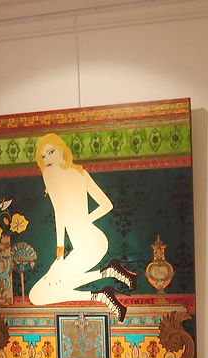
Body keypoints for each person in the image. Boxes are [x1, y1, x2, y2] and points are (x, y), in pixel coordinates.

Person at [27, 133, 135, 321]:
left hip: (88, 246)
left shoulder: (50, 175)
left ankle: (104, 289)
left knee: (38, 295)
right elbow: (107, 205)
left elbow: (60, 213)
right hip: (96, 241)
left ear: (62, 150)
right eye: (43, 156)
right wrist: (86, 220)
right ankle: (107, 279)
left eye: (51, 152)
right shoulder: (80, 173)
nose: (47, 159)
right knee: (49, 288)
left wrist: (59, 255)